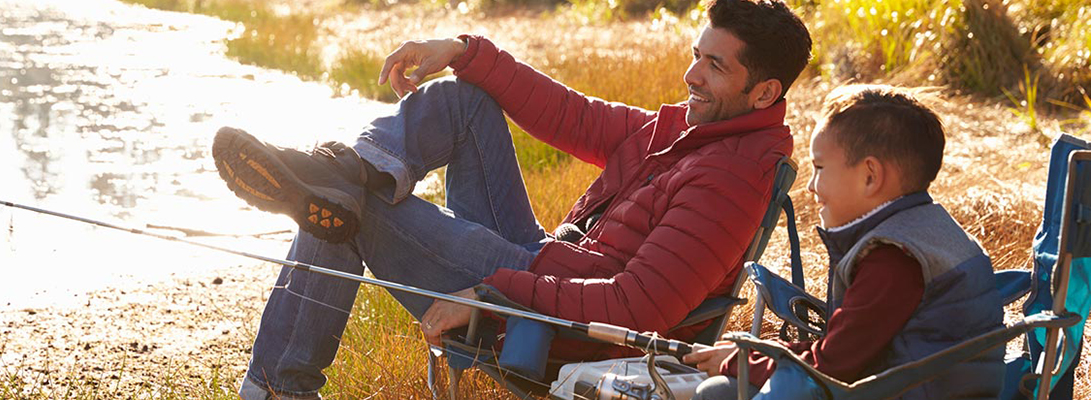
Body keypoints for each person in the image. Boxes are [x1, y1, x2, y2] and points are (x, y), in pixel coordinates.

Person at [213, 0, 812, 398]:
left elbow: (636, 309)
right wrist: (463, 51)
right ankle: (342, 170)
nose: (692, 77)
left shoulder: (731, 179)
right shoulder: (690, 130)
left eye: (714, 66)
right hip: (547, 263)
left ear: (764, 92)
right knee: (462, 103)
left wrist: (494, 294)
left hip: (551, 323)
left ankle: (276, 385)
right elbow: (572, 116)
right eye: (694, 55)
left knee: (351, 208)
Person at [682, 85, 1005, 400]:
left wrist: (741, 363)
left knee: (720, 392)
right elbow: (846, 349)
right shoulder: (928, 230)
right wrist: (753, 353)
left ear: (870, 176)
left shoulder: (893, 259)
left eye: (819, 168)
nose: (810, 186)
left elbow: (833, 369)